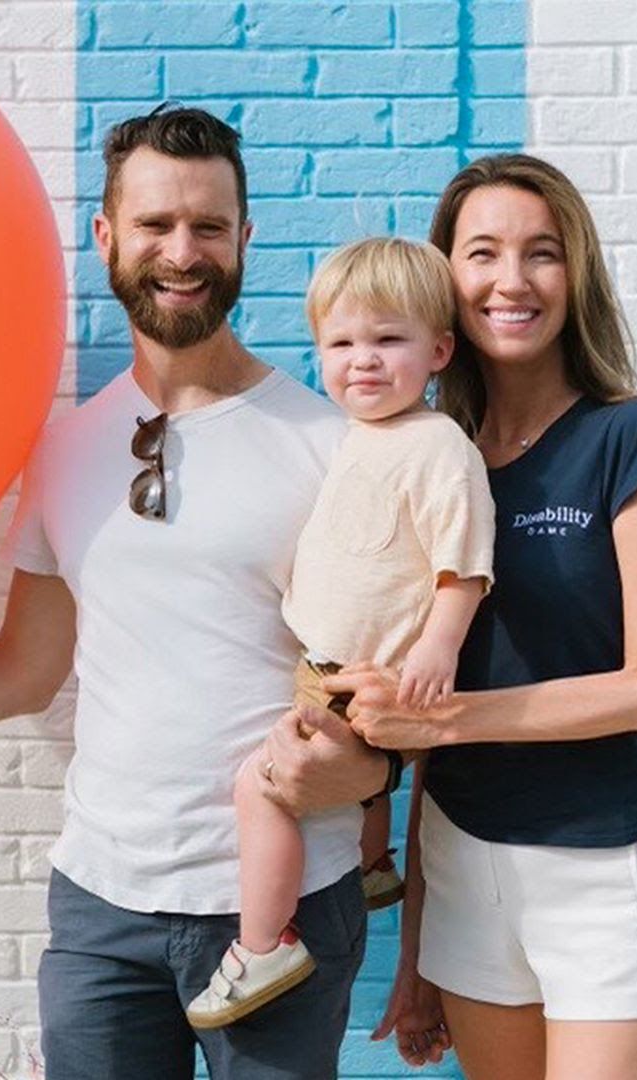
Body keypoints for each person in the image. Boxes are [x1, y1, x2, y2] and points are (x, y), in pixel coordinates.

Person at [0, 107, 391, 1078]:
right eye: (155, 225)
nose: (182, 253)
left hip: (280, 912)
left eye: (209, 227)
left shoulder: (331, 449)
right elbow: (23, 669)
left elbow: (383, 713)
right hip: (103, 913)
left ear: (245, 241)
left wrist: (359, 772)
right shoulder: (65, 447)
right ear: (107, 237)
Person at [320, 154, 637, 1080]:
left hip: (608, 865)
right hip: (464, 866)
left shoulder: (629, 434)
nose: (511, 281)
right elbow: (418, 729)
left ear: (578, 273)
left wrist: (443, 719)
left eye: (542, 253)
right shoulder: (423, 454)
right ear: (445, 278)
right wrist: (415, 945)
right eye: (482, 253)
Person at [186, 238, 495, 1029]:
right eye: (342, 343)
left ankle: (262, 945)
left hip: (368, 678)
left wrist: (438, 645)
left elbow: (463, 560)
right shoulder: (351, 437)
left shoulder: (438, 447)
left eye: (388, 340)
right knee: (339, 791)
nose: (364, 361)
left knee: (262, 788)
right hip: (323, 660)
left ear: (439, 350)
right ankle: (371, 864)